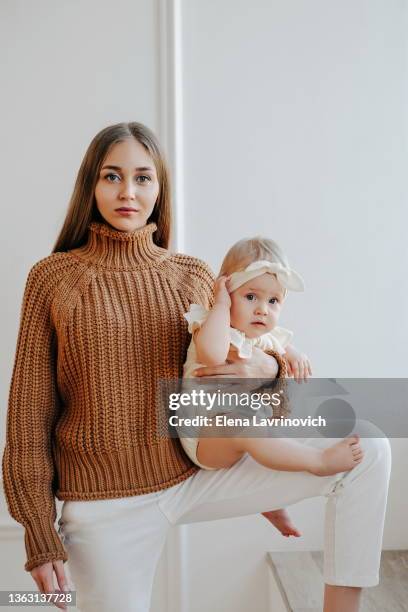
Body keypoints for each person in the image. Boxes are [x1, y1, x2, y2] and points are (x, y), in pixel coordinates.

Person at [1, 122, 391, 612]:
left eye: (143, 178)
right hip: (105, 502)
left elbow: (222, 375)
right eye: (112, 176)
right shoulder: (53, 279)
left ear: (160, 188)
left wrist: (269, 374)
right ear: (90, 185)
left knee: (369, 446)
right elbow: (28, 418)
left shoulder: (193, 275)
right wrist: (38, 532)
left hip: (195, 474)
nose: (128, 192)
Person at [180, 238, 363, 476]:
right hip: (203, 434)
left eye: (273, 300)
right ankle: (319, 461)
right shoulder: (212, 325)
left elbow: (279, 347)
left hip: (237, 427)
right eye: (251, 297)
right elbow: (213, 355)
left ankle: (273, 508)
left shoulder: (263, 337)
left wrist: (293, 355)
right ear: (225, 289)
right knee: (248, 429)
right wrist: (221, 306)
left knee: (268, 430)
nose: (262, 309)